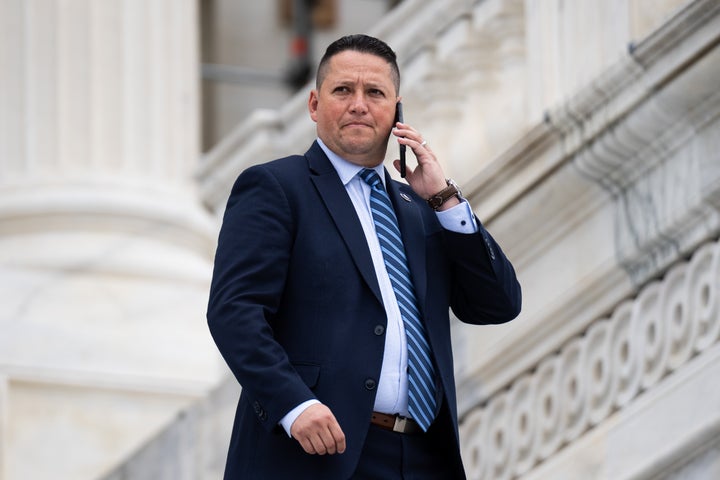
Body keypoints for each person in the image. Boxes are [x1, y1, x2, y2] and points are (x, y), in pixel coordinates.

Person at [207, 34, 521, 479]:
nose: (359, 104)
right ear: (314, 105)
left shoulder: (422, 208)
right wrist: (293, 404)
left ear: (397, 111)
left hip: (425, 456)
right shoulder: (277, 188)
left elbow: (498, 304)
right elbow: (234, 312)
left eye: (375, 93)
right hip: (315, 452)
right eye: (343, 91)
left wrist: (447, 201)